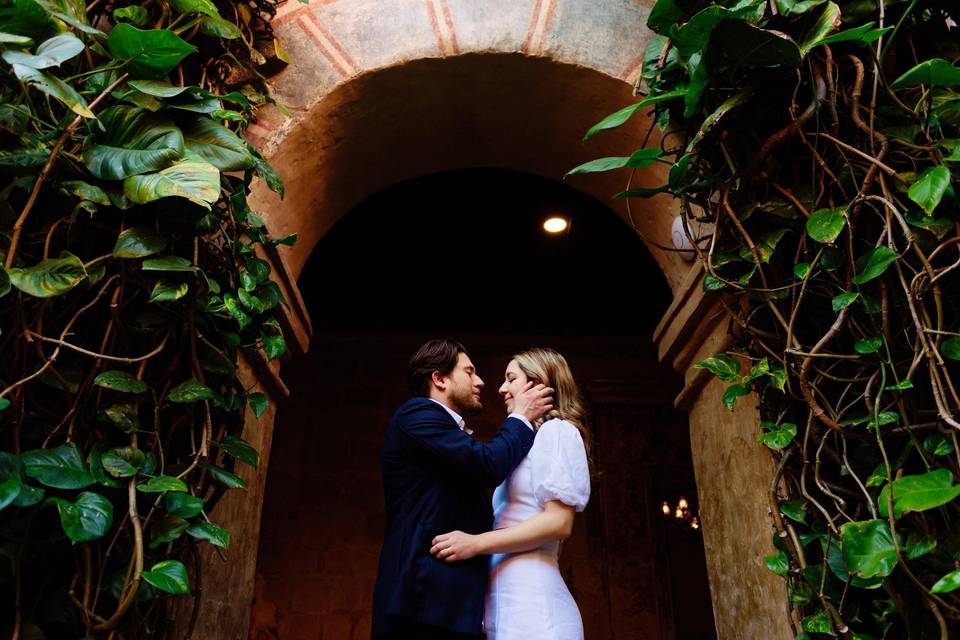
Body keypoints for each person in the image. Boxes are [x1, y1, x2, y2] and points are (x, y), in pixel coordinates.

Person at [371, 339, 554, 640]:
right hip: (418, 606)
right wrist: (520, 417)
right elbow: (486, 465)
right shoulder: (416, 414)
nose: (480, 381)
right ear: (439, 379)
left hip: (444, 610)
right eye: (469, 372)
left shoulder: (443, 428)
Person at [429, 347, 591, 640]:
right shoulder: (528, 445)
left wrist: (475, 544)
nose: (501, 388)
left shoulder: (557, 432)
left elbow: (559, 524)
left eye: (511, 378)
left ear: (538, 383)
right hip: (506, 609)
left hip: (537, 610)